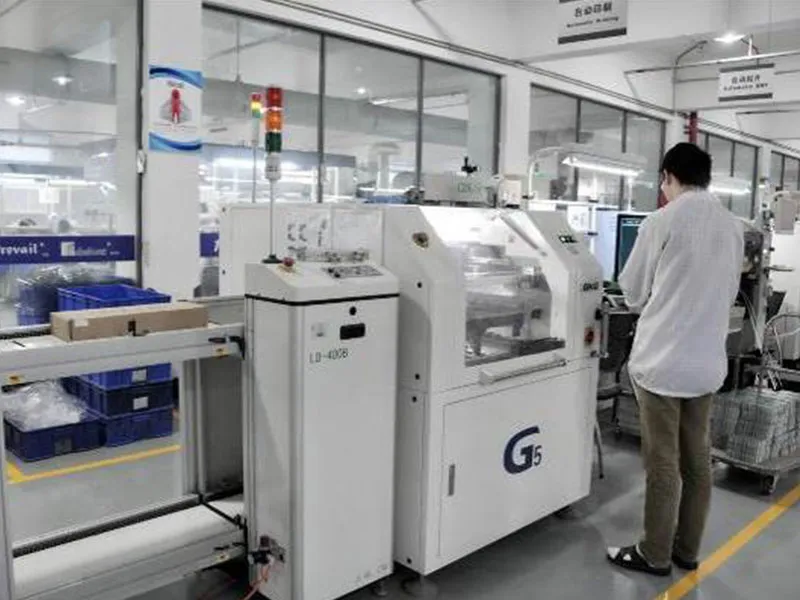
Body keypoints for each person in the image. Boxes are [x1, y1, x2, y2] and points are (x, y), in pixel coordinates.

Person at [607, 143, 744, 576]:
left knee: (663, 464)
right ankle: (686, 551)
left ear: (668, 176)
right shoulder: (733, 226)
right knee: (698, 462)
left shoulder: (661, 221)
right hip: (706, 365)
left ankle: (654, 553)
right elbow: (728, 289)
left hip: (662, 364)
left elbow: (632, 292)